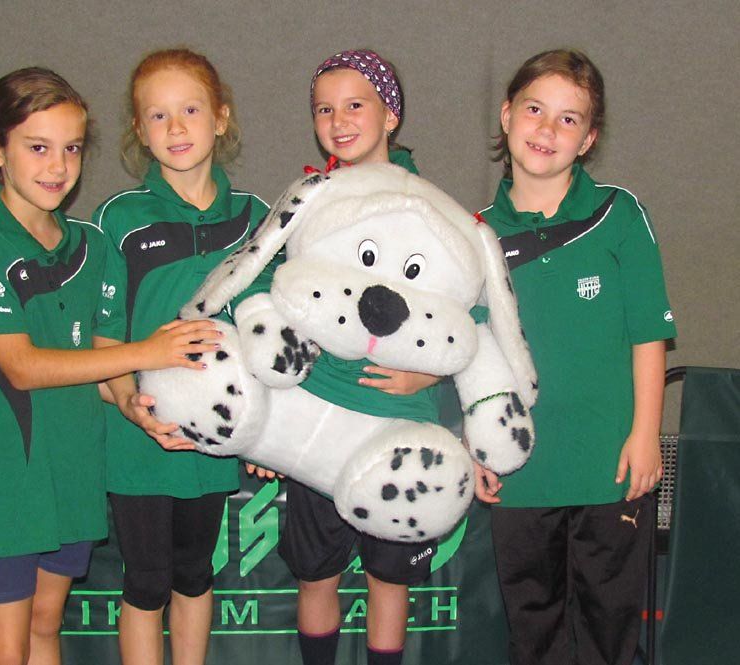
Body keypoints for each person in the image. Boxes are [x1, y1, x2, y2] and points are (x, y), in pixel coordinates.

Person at [0, 67, 219, 665]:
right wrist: (148, 353)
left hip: (74, 472)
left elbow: (101, 359)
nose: (58, 167)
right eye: (37, 148)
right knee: (6, 648)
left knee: (46, 625)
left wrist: (134, 405)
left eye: (71, 149)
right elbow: (21, 366)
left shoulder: (91, 245)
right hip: (8, 477)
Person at [473, 49, 676, 665]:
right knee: (533, 632)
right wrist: (477, 445)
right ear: (507, 116)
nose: (546, 129)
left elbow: (648, 336)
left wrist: (645, 435)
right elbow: (473, 359)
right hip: (522, 472)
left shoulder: (619, 214)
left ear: (588, 140)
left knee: (608, 631)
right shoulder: (474, 233)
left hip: (610, 467)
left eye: (568, 119)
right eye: (534, 110)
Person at [91, 49, 270, 665]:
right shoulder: (119, 219)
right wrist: (131, 406)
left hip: (214, 444)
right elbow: (104, 345)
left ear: (220, 118)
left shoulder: (256, 218)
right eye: (158, 116)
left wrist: (268, 433)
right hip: (140, 444)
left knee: (194, 574)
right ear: (140, 132)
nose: (175, 128)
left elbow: (273, 336)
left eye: (190, 111)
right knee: (146, 584)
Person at [275, 49, 443, 665]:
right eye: (324, 109)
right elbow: (273, 307)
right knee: (316, 576)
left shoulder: (429, 205)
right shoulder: (306, 204)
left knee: (388, 581)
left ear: (390, 114)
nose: (338, 120)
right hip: (317, 424)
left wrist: (427, 372)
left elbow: (471, 311)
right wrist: (273, 421)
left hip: (398, 426)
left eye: (355, 105)